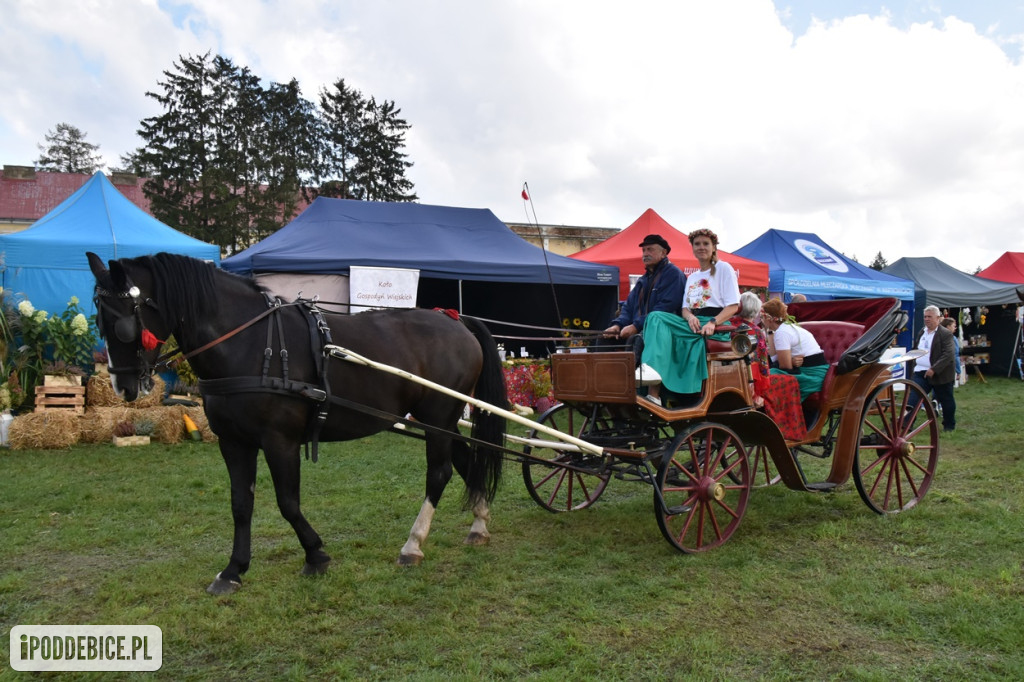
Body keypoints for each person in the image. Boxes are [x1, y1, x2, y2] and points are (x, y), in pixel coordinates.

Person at [641, 228, 741, 405]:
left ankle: (657, 390)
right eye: (697, 244)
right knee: (655, 317)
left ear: (713, 247)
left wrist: (713, 322)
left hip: (714, 325)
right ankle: (652, 386)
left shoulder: (724, 268)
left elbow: (733, 306)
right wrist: (689, 317)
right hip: (692, 323)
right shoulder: (692, 277)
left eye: (705, 243)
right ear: (692, 248)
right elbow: (685, 308)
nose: (701, 247)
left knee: (659, 321)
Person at [602, 234, 684, 363]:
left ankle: (637, 382)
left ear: (663, 253)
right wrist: (617, 325)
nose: (645, 254)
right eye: (643, 250)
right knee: (605, 339)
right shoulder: (643, 279)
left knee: (636, 340)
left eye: (650, 249)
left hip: (664, 330)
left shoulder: (673, 274)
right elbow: (628, 307)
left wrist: (636, 325)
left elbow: (665, 308)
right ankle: (607, 381)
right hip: (641, 328)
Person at [737, 292, 807, 441]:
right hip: (750, 379)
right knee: (791, 382)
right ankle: (788, 427)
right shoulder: (754, 332)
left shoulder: (730, 326)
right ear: (756, 312)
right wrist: (759, 392)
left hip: (735, 375)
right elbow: (762, 363)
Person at [761, 298, 827, 402]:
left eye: (762, 317)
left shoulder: (782, 332)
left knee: (766, 377)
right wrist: (769, 332)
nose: (761, 320)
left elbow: (785, 367)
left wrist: (790, 362)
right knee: (768, 373)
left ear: (769, 319)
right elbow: (775, 359)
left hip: (811, 375)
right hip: (811, 372)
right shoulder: (784, 328)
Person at [908, 305, 957, 432]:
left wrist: (934, 369)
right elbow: (916, 349)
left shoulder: (945, 334)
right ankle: (906, 425)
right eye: (925, 317)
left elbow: (948, 354)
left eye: (930, 317)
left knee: (946, 400)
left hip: (940, 374)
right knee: (912, 399)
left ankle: (949, 425)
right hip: (920, 372)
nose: (926, 319)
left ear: (938, 318)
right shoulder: (922, 332)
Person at [940, 317, 962, 385]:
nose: (955, 328)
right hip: (948, 369)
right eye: (954, 326)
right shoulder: (952, 338)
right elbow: (955, 355)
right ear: (948, 326)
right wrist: (958, 371)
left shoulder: (937, 336)